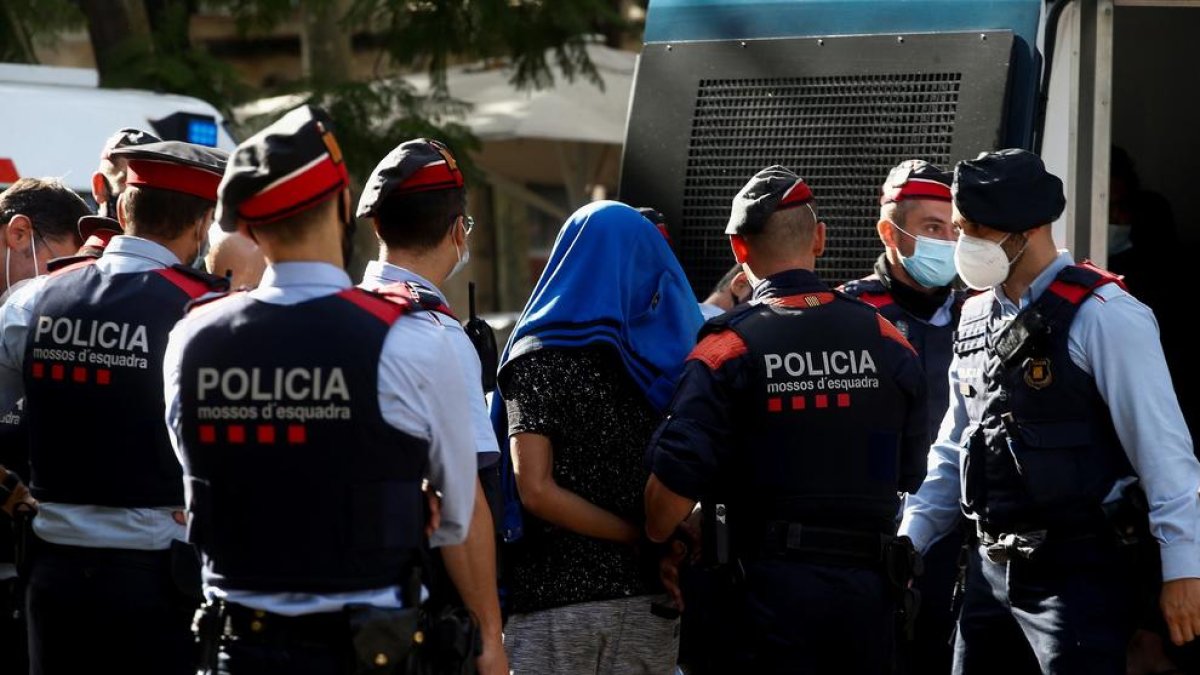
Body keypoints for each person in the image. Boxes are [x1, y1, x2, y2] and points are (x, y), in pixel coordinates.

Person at [165, 105, 479, 675]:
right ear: (342, 206)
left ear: (251, 228)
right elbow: (456, 518)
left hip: (237, 647)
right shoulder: (413, 338)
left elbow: (199, 486)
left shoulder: (191, 338)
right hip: (367, 649)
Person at [899, 149, 1200, 675]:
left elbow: (1164, 453)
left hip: (1076, 575)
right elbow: (955, 444)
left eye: (976, 230)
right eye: (960, 227)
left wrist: (1183, 569)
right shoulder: (973, 315)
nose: (962, 244)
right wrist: (909, 541)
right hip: (989, 573)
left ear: (1028, 229)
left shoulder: (1106, 316)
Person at [643, 165, 929, 674]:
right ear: (820, 239)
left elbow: (662, 510)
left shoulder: (726, 349)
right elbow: (911, 475)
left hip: (762, 604)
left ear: (739, 250)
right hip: (867, 604)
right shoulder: (889, 339)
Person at [0, 141, 228, 675]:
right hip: (157, 579)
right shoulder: (207, 313)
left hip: (51, 570)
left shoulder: (34, 298)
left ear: (122, 211)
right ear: (202, 224)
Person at [491, 200, 702, 674]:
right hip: (649, 600)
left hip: (553, 608)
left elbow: (535, 489)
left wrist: (634, 537)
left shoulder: (535, 356)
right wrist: (654, 537)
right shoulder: (666, 365)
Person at [355, 137, 506, 675]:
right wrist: (490, 635)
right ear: (458, 229)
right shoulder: (438, 336)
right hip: (417, 603)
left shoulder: (339, 319)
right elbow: (465, 501)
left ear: (377, 228)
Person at [839, 158, 963, 674]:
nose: (947, 242)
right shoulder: (849, 316)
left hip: (963, 540)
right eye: (932, 228)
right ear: (890, 231)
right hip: (874, 541)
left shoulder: (981, 313)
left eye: (955, 229)